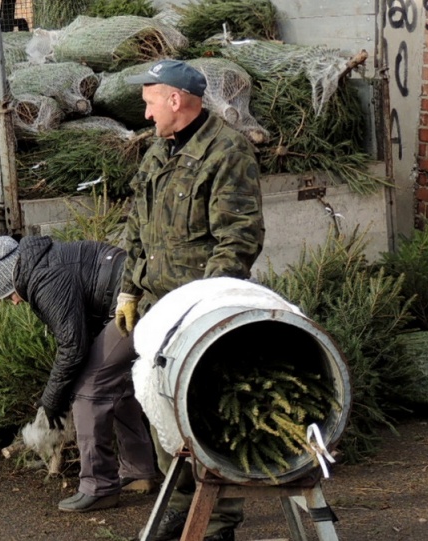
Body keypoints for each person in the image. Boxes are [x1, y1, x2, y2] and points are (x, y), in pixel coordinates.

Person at [117, 59, 265, 541]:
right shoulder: (158, 153)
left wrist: (206, 306)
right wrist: (129, 288)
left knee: (205, 414)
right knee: (162, 413)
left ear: (176, 100)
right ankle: (181, 507)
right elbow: (137, 226)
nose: (146, 114)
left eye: (149, 102)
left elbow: (238, 239)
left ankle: (218, 524)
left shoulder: (227, 152)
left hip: (200, 315)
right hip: (159, 313)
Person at [0, 235, 161, 513]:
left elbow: (73, 348)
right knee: (117, 384)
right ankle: (139, 472)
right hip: (140, 294)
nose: (14, 302)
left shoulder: (44, 278)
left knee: (90, 388)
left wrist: (51, 401)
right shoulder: (45, 262)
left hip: (137, 303)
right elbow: (80, 335)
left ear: (12, 277)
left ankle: (98, 487)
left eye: (8, 295)